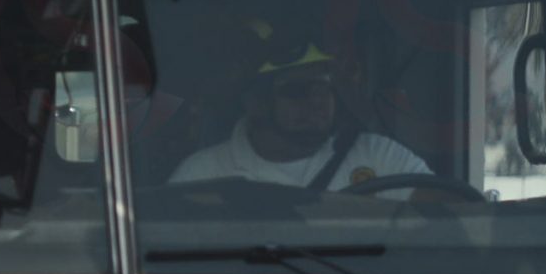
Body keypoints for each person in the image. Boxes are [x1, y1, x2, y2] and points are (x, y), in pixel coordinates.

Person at [171, 42, 428, 194]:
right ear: (256, 103)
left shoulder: (378, 155)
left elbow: (442, 214)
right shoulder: (203, 173)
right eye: (296, 91)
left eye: (323, 87)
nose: (316, 101)